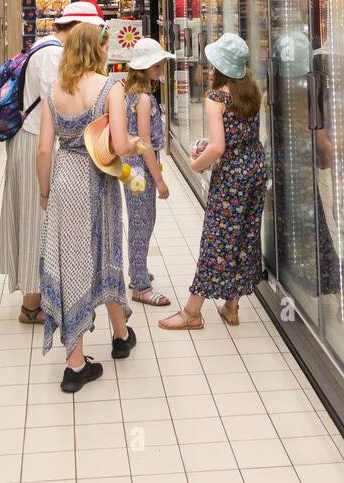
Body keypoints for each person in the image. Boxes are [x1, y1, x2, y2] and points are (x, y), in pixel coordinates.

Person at [36, 20, 141, 392]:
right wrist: (136, 145)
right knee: (107, 255)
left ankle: (101, 343)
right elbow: (119, 145)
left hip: (66, 179)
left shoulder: (55, 91)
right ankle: (93, 353)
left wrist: (46, 192)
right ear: (97, 49)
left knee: (73, 263)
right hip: (99, 180)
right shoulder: (110, 87)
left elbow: (45, 148)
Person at [159, 32, 266, 331]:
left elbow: (219, 148)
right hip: (255, 168)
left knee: (216, 238)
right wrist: (212, 144)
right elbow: (239, 135)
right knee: (244, 235)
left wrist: (196, 163)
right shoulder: (251, 92)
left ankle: (193, 312)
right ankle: (231, 305)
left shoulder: (215, 98)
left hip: (231, 175)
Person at [0, 1, 84, 323]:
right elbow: (56, 104)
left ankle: (34, 298)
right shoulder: (53, 55)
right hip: (34, 142)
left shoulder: (39, 48)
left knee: (32, 217)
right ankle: (32, 307)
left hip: (27, 139)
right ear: (74, 29)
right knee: (36, 219)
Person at [122, 36, 174, 307]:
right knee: (142, 222)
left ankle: (137, 268)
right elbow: (144, 143)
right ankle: (140, 285)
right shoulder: (143, 99)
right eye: (156, 65)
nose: (160, 68)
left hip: (133, 169)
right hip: (140, 170)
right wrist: (160, 179)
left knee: (141, 219)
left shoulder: (133, 94)